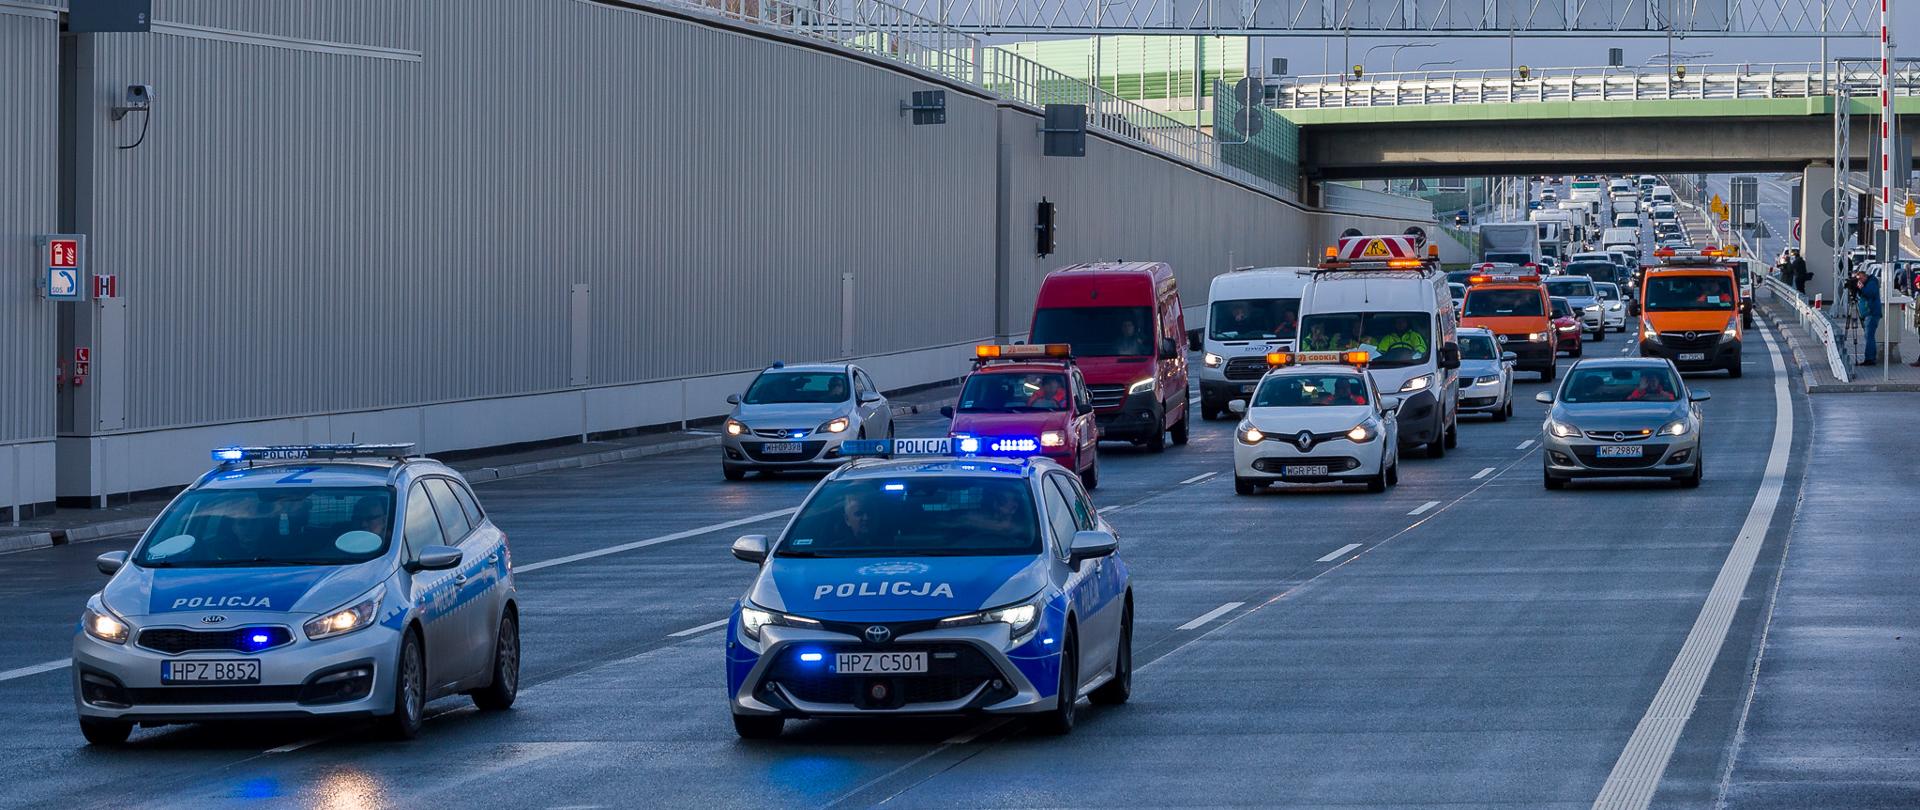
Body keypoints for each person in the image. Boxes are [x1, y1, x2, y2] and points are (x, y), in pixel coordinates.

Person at [1858, 267, 1882, 366]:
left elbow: (1870, 293)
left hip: (1871, 313)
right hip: (1868, 313)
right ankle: (1870, 357)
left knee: (1869, 336)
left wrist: (1861, 288)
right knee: (1868, 336)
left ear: (1865, 277)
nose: (1859, 281)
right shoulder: (1868, 283)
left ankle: (1870, 358)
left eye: (1860, 279)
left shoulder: (1872, 283)